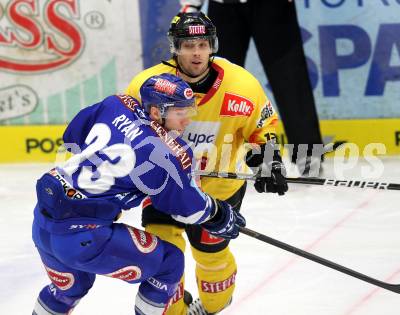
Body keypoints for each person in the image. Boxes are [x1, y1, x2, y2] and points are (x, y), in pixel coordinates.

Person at [31, 73, 245, 315]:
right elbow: (190, 209)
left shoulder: (117, 104)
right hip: (84, 237)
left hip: (42, 223)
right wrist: (219, 215)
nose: (187, 120)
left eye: (189, 110)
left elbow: (73, 136)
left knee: (69, 290)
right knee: (170, 263)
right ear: (156, 112)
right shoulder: (169, 153)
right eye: (180, 112)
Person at [126, 12, 288, 315]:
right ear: (175, 48)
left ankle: (212, 306)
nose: (196, 52)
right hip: (165, 186)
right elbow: (125, 129)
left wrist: (268, 161)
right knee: (163, 255)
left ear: (212, 45)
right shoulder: (146, 85)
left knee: (210, 255)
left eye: (202, 44)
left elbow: (261, 130)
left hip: (219, 190)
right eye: (188, 45)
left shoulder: (241, 85)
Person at [180, 0, 325, 174]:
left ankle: (308, 154)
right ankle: (207, 152)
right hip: (224, 6)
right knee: (216, 79)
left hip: (272, 7)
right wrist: (191, 4)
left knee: (290, 74)